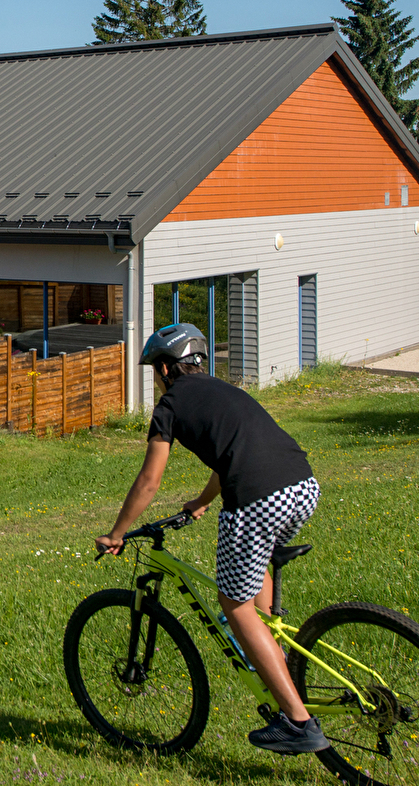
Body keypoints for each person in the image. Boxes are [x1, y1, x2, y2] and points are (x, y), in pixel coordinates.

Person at [95, 323, 328, 755]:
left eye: (155, 371)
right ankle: (271, 660)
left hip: (259, 500)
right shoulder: (223, 390)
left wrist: (117, 533)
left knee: (233, 606)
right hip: (303, 486)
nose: (156, 379)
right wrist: (202, 501)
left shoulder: (169, 405)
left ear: (166, 368)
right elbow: (234, 454)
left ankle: (299, 723)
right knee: (252, 577)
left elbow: (149, 480)